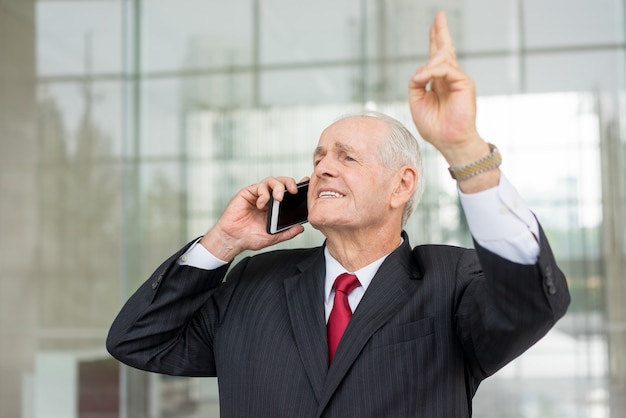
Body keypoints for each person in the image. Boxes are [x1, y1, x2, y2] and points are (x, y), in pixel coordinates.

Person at [107, 11, 569, 418]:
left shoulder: (450, 280)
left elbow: (530, 303)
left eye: (347, 158)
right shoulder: (253, 283)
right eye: (319, 157)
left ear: (401, 185)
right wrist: (223, 242)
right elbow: (139, 341)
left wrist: (465, 149)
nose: (323, 166)